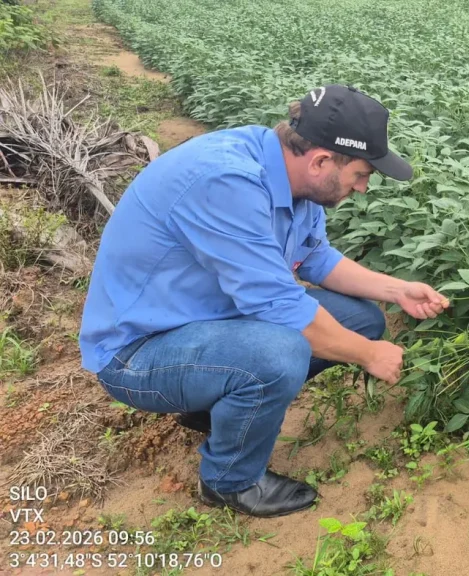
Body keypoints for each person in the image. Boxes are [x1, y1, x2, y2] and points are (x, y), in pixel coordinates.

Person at [78, 84, 449, 518]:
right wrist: (370, 356)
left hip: (205, 322)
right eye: (361, 175)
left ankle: (213, 406)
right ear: (322, 161)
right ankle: (228, 481)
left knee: (360, 319)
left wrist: (396, 289)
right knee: (282, 351)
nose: (363, 188)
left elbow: (315, 257)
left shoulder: (295, 178)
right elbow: (279, 305)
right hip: (137, 352)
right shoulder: (225, 181)